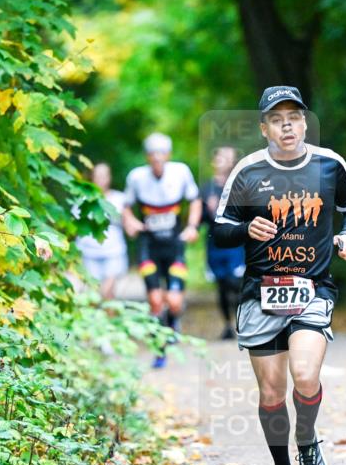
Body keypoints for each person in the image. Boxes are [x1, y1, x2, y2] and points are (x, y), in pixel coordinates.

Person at [213, 86, 346, 465]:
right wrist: (246, 230)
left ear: (304, 122)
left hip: (313, 287)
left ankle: (308, 441)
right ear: (264, 128)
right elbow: (219, 230)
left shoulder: (329, 164)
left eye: (294, 117)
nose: (287, 125)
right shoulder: (246, 171)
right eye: (277, 118)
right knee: (272, 393)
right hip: (260, 293)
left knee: (303, 374)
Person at [122, 133, 201, 368]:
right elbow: (126, 207)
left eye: (161, 154)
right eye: (152, 154)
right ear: (147, 157)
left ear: (168, 155)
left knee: (174, 301)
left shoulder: (181, 172)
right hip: (149, 246)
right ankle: (160, 349)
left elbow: (195, 200)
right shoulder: (136, 177)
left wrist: (192, 226)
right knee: (156, 301)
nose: (157, 158)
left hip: (174, 244)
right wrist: (131, 222)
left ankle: (174, 321)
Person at [200, 146, 245, 340]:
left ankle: (241, 321)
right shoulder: (206, 188)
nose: (225, 161)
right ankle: (228, 324)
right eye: (222, 157)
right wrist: (207, 209)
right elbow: (198, 218)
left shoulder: (240, 185)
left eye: (230, 158)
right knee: (221, 286)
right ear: (214, 160)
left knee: (234, 282)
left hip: (235, 242)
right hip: (214, 242)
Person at [76, 162, 128, 300]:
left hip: (114, 251)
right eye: (98, 176)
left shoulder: (120, 199)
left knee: (107, 293)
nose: (101, 179)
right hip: (88, 252)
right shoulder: (82, 199)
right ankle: (95, 321)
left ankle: (109, 320)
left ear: (109, 177)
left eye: (104, 176)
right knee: (92, 295)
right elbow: (76, 226)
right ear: (92, 177)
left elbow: (128, 222)